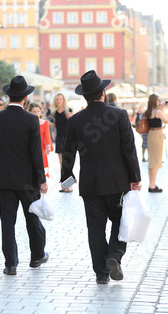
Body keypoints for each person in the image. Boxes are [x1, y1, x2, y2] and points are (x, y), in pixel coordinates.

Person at [61, 70, 141, 284]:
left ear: (84, 96)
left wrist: (66, 179)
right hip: (117, 181)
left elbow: (68, 152)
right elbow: (129, 149)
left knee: (95, 228)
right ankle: (114, 255)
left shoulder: (75, 120)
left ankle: (101, 273)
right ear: (103, 93)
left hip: (90, 184)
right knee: (119, 220)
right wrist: (135, 177)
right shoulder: (119, 115)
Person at [0, 75, 49, 276]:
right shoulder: (31, 119)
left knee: (7, 222)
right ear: (25, 97)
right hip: (27, 179)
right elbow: (36, 152)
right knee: (32, 218)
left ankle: (10, 264)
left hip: (4, 177)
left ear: (8, 95)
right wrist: (42, 179)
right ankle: (37, 255)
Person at [144, 94, 168, 192]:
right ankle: (152, 185)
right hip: (157, 134)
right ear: (155, 101)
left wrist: (162, 106)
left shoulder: (148, 112)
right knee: (156, 160)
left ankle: (151, 183)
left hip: (151, 134)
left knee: (151, 159)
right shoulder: (158, 112)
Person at [52, 93, 73, 192]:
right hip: (59, 138)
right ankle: (65, 186)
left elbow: (73, 124)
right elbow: (56, 126)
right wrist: (47, 123)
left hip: (68, 138)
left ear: (63, 100)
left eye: (60, 99)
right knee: (61, 163)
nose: (58, 101)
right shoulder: (55, 112)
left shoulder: (68, 111)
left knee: (67, 162)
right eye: (57, 99)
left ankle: (70, 186)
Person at [28, 102, 53, 178]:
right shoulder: (27, 122)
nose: (36, 113)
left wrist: (48, 148)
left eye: (38, 111)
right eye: (34, 112)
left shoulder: (44, 123)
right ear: (30, 112)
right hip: (29, 148)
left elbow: (47, 136)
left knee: (42, 168)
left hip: (41, 148)